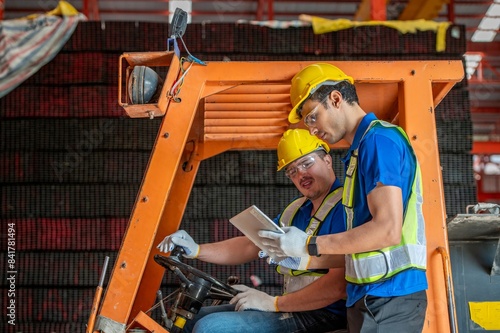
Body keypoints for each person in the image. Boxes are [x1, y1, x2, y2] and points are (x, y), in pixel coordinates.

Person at [259, 63, 428, 333]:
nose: (311, 129)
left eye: (312, 117)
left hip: (391, 296)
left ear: (336, 99)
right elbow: (361, 248)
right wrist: (305, 257)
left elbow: (387, 230)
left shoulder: (378, 140)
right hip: (369, 296)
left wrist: (310, 244)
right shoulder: (358, 153)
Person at [157, 129, 347, 333]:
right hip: (293, 305)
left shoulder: (346, 209)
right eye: (292, 171)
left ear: (327, 160)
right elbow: (251, 244)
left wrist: (273, 303)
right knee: (190, 319)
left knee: (209, 328)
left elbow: (338, 284)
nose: (300, 174)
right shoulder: (295, 212)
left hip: (326, 313)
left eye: (306, 163)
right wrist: (196, 249)